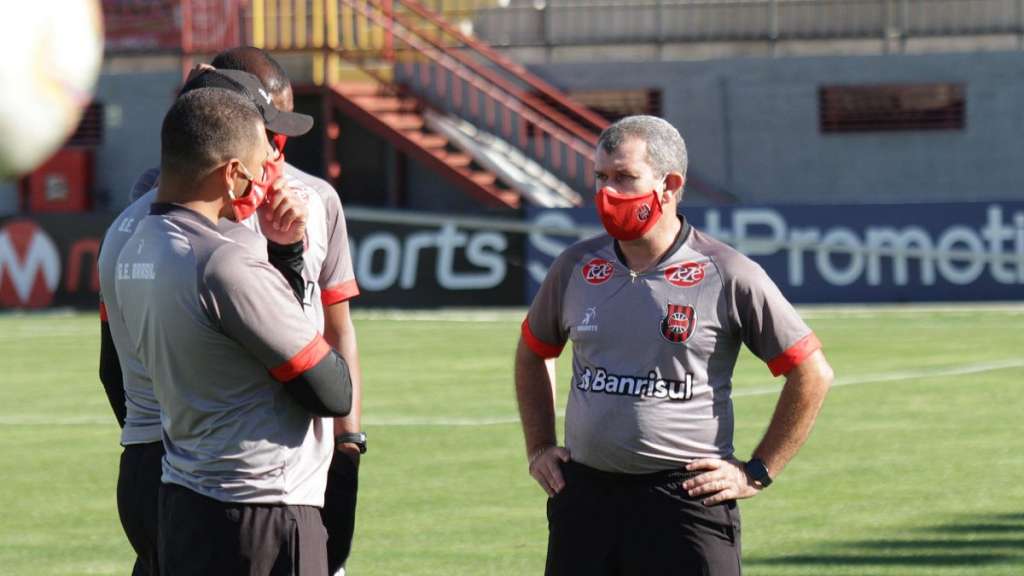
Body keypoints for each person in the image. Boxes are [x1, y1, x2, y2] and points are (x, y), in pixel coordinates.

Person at [514, 115, 834, 575]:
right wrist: (540, 446)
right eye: (601, 178)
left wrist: (757, 471)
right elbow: (534, 351)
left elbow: (812, 372)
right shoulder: (575, 266)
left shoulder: (727, 272)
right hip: (584, 500)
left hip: (684, 502)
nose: (608, 193)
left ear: (669, 185)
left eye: (624, 178)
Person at [112, 87, 352, 575]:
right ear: (232, 175)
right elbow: (331, 389)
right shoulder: (223, 263)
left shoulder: (132, 244)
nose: (268, 178)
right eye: (261, 166)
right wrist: (287, 254)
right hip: (261, 512)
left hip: (184, 497)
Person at [208, 47, 365, 575]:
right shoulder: (190, 209)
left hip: (308, 463)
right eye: (271, 127)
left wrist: (349, 440)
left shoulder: (318, 199)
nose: (279, 146)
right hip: (214, 468)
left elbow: (338, 326)